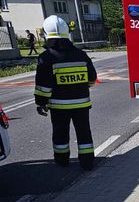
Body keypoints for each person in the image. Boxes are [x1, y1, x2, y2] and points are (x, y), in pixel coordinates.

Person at [34, 15, 97, 170]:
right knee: (84, 133)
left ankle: (62, 161)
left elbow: (43, 85)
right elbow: (92, 79)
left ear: (47, 34)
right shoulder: (81, 54)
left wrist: (40, 103)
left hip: (59, 107)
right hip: (82, 104)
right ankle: (87, 162)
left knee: (60, 133)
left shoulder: (47, 57)